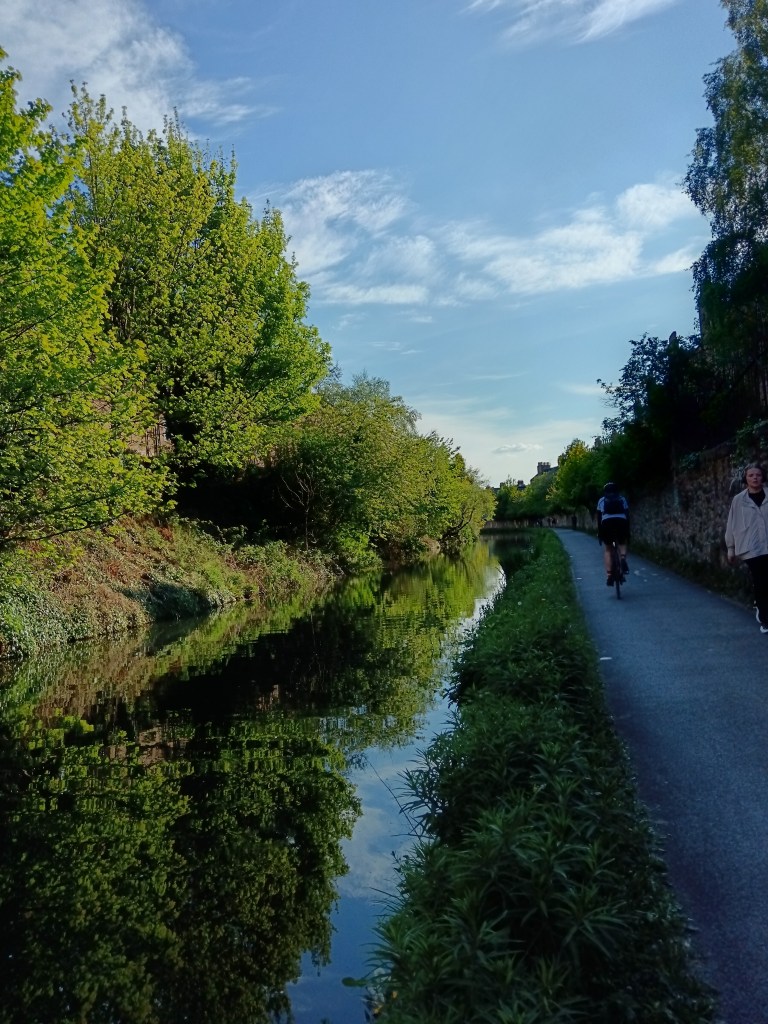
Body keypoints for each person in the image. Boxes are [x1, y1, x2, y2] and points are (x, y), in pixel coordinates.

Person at [725, 462, 768, 634]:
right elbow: (731, 524)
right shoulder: (738, 500)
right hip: (751, 548)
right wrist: (730, 547)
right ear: (746, 479)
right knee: (761, 581)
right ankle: (765, 619)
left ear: (762, 477)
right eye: (751, 475)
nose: (755, 478)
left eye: (758, 475)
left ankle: (761, 606)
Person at [596, 482, 630, 586]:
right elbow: (627, 515)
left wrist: (600, 533)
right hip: (621, 521)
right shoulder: (622, 499)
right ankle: (623, 558)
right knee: (622, 542)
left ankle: (610, 575)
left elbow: (598, 518)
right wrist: (627, 531)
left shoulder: (601, 500)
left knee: (608, 549)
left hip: (607, 523)